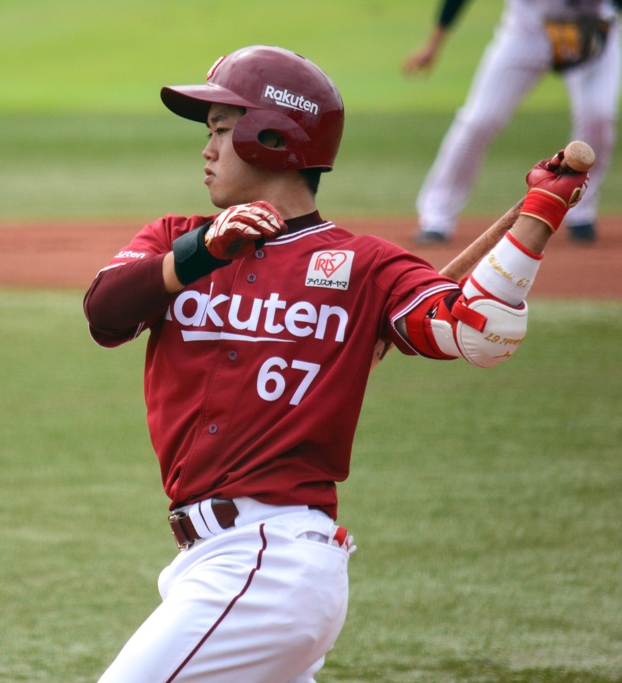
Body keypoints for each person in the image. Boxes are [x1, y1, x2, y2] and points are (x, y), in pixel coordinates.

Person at [82, 44, 588, 683]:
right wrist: (198, 255)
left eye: (220, 132)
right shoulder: (174, 241)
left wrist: (540, 215)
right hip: (212, 563)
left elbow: (480, 332)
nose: (206, 149)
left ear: (271, 136)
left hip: (268, 564)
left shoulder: (364, 266)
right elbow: (104, 315)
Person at [403, 0, 618, 244]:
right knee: (478, 121)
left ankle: (581, 212)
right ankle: (436, 216)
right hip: (527, 32)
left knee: (598, 117)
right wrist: (435, 42)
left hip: (592, 27)